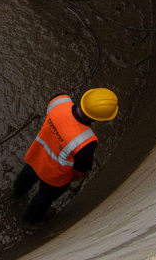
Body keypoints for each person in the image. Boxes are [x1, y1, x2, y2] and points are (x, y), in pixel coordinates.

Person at [13, 88, 118, 222]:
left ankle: (17, 192)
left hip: (37, 155)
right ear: (99, 118)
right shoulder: (86, 141)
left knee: (27, 174)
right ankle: (31, 218)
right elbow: (81, 170)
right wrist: (73, 178)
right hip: (55, 176)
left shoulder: (60, 101)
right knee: (45, 196)